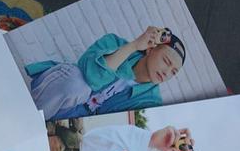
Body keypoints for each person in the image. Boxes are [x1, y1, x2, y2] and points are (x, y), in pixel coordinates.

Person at [25, 26, 186, 120]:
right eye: (166, 61)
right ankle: (27, 119)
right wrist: (134, 46)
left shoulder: (152, 103)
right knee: (77, 83)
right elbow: (92, 77)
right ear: (150, 49)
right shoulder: (114, 43)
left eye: (173, 72)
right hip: (58, 96)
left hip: (75, 124)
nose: (167, 73)